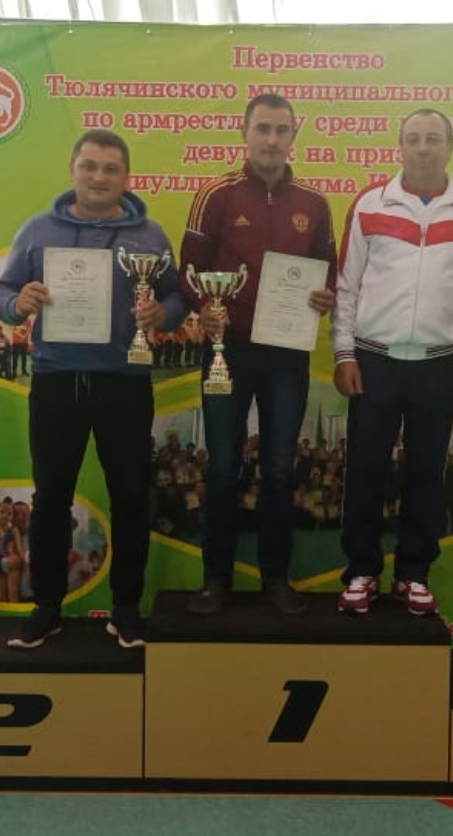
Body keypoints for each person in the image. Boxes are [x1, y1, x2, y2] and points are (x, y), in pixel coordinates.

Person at [0, 128, 184, 650]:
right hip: (56, 380)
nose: (99, 177)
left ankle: (126, 609)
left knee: (131, 498)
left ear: (127, 177)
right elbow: (3, 290)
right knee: (51, 498)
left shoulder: (150, 236)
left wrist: (160, 314)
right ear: (73, 169)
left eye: (111, 169)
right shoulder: (38, 230)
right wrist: (17, 304)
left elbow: (176, 298)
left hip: (125, 383)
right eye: (90, 166)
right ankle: (46, 608)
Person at [331, 107, 453, 616]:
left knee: (427, 473)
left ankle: (413, 573)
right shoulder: (370, 204)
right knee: (365, 469)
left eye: (433, 139)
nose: (423, 148)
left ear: (451, 146)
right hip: (374, 361)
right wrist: (343, 352)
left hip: (440, 365)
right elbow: (346, 286)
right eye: (414, 139)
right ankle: (361, 570)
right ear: (400, 147)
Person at [180, 93, 337, 616]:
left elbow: (329, 271)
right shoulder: (215, 195)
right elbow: (188, 272)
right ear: (244, 133)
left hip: (287, 354)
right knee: (223, 467)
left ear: (294, 135)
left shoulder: (315, 204)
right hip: (226, 350)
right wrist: (206, 309)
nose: (272, 139)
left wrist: (325, 296)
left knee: (278, 469)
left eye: (281, 129)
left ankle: (276, 578)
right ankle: (215, 580)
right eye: (263, 129)